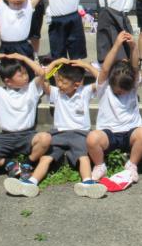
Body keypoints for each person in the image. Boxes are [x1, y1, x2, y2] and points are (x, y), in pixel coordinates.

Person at [0, 53, 53, 197]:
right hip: (5, 137)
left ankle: (27, 164)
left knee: (45, 138)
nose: (26, 77)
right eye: (20, 75)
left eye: (25, 73)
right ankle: (10, 164)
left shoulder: (32, 88)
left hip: (27, 135)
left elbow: (41, 73)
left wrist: (23, 58)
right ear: (8, 81)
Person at [86, 31, 142, 182]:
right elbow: (105, 69)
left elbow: (135, 68)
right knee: (92, 138)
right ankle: (100, 165)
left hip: (130, 133)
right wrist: (116, 46)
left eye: (124, 91)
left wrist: (134, 47)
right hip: (108, 134)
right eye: (118, 91)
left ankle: (132, 164)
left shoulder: (132, 86)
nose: (121, 93)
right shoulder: (104, 87)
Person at [40, 59, 108, 199]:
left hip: (80, 134)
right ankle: (31, 181)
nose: (59, 85)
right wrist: (56, 63)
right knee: (46, 157)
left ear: (76, 84)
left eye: (64, 82)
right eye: (58, 80)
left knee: (83, 157)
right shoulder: (56, 93)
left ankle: (87, 182)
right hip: (58, 133)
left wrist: (87, 66)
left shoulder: (85, 92)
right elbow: (42, 79)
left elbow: (102, 80)